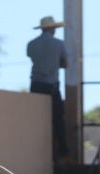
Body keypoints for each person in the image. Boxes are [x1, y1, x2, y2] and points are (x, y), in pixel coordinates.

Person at [27, 16, 70, 163]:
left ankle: (36, 151)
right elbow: (65, 63)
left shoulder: (32, 44)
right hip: (52, 86)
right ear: (52, 28)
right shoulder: (59, 44)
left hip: (36, 85)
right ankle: (62, 153)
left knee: (37, 121)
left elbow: (33, 58)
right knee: (58, 120)